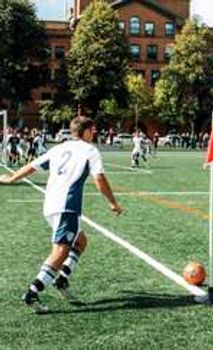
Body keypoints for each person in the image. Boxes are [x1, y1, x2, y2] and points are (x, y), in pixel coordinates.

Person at [0, 116, 123, 313]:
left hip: (50, 204)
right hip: (67, 206)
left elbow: (32, 166)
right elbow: (99, 178)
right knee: (60, 251)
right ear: (85, 131)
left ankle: (62, 280)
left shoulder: (58, 148)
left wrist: (12, 178)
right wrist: (112, 203)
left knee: (80, 241)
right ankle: (32, 292)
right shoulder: (90, 150)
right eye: (92, 130)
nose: (94, 134)